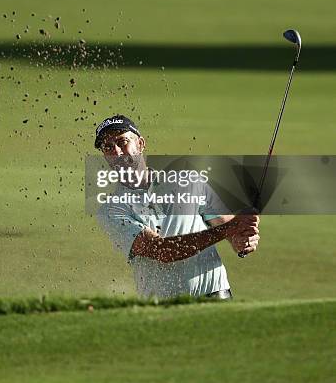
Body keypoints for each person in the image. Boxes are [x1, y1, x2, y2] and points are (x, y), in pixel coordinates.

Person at [95, 115, 260, 299]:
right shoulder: (111, 209)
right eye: (108, 147)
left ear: (140, 144)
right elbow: (163, 251)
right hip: (163, 308)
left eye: (122, 142)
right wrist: (231, 228)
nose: (117, 152)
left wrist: (242, 240)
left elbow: (229, 230)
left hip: (216, 296)